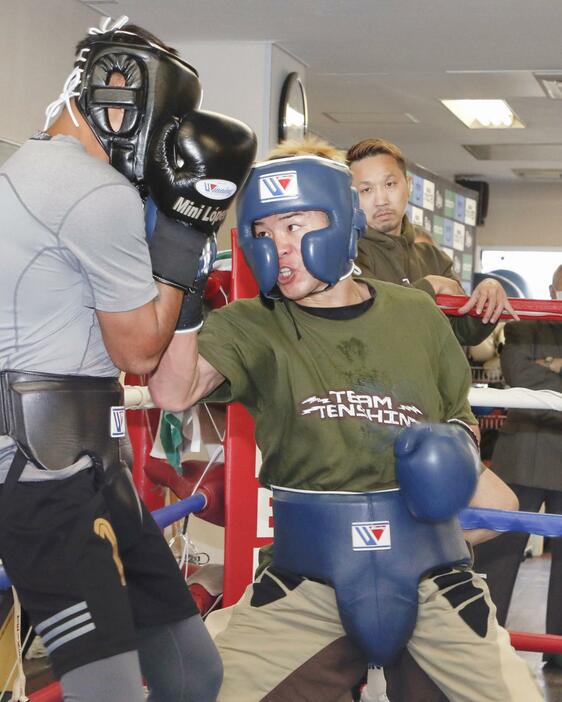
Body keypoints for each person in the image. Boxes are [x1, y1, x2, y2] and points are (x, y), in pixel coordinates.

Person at [149, 153, 541, 701]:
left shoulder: (417, 313)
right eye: (262, 230)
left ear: (342, 221)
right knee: (215, 694)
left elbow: (459, 415)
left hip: (433, 573)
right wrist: (184, 293)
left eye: (294, 225)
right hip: (304, 578)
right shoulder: (252, 323)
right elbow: (172, 391)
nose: (278, 246)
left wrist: (454, 451)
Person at [0, 16, 255, 702]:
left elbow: (166, 383)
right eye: (170, 125)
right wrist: (184, 230)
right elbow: (140, 350)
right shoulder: (93, 191)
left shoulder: (50, 173)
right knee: (110, 691)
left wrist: (181, 247)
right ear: (131, 106)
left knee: (191, 667)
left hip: (88, 464)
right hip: (40, 472)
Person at [346, 138, 518, 346]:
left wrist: (488, 297)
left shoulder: (433, 257)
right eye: (366, 190)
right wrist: (429, 287)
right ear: (352, 197)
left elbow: (464, 332)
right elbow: (373, 321)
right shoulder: (348, 256)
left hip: (433, 379)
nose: (381, 200)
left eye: (389, 184)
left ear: (408, 186)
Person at [474, 264, 562, 666]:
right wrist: (543, 371)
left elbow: (531, 376)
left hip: (543, 454)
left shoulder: (527, 333)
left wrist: (547, 369)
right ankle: (484, 645)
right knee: (498, 556)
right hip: (521, 456)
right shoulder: (525, 324)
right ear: (550, 289)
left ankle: (559, 655)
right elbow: (517, 374)